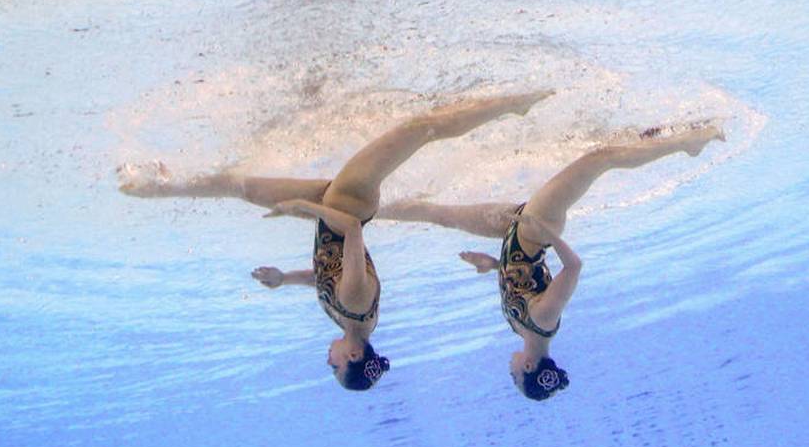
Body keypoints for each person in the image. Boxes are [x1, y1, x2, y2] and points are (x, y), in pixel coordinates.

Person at [117, 91, 555, 391]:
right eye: (335, 368)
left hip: (330, 205)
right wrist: (302, 208)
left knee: (244, 189)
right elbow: (354, 232)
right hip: (350, 201)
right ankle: (511, 107)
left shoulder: (347, 318)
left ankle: (163, 183)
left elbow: (326, 276)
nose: (328, 362)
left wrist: (285, 279)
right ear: (352, 358)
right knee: (421, 129)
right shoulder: (357, 306)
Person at [379, 120, 725, 400]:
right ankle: (687, 144)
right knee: (599, 159)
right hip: (534, 229)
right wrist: (544, 229)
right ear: (529, 368)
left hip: (512, 230)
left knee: (440, 215)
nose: (511, 373)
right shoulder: (544, 320)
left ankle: (367, 211)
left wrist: (493, 266)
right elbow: (573, 267)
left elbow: (526, 281)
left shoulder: (521, 328)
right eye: (516, 378)